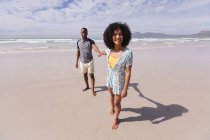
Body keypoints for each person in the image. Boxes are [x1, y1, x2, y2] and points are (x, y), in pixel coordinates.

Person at [100, 22, 133, 129]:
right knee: (111, 95)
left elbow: (128, 72)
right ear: (110, 36)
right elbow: (103, 52)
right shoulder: (109, 50)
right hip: (109, 78)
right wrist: (99, 52)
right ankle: (112, 108)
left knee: (117, 102)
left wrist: (125, 89)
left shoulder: (128, 53)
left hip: (119, 82)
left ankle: (116, 119)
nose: (117, 36)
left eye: (120, 34)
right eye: (114, 34)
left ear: (124, 36)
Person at [76, 27, 101, 96]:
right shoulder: (78, 42)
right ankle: (87, 86)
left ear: (87, 33)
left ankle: (93, 90)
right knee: (84, 74)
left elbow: (94, 47)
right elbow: (78, 52)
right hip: (82, 61)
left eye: (84, 32)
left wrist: (98, 51)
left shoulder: (90, 41)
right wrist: (76, 62)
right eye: (82, 32)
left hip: (90, 61)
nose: (83, 33)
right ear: (80, 33)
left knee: (91, 75)